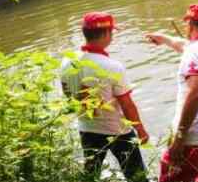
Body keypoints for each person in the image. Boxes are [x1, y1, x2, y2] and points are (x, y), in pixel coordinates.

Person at [60, 12, 149, 182]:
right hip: (117, 131)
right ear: (106, 34)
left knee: (91, 174)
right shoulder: (111, 66)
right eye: (112, 32)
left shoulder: (67, 61)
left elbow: (66, 92)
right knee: (136, 176)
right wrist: (141, 129)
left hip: (86, 128)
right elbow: (126, 104)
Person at [146, 4, 198, 182]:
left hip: (194, 139)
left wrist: (179, 139)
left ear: (190, 24)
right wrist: (164, 39)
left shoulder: (194, 53)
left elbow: (195, 94)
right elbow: (185, 46)